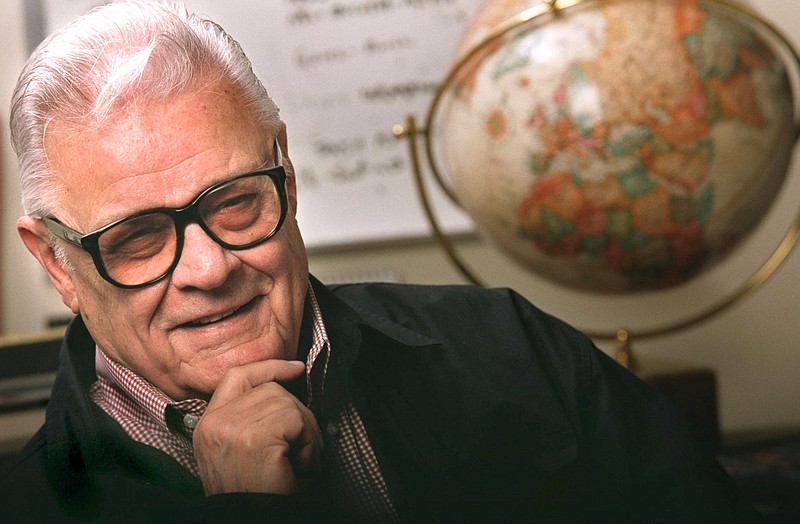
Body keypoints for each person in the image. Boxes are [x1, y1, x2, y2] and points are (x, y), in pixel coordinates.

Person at [0, 1, 758, 522]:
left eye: (233, 201)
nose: (207, 268)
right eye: (137, 238)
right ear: (59, 265)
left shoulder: (515, 348)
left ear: (287, 178)